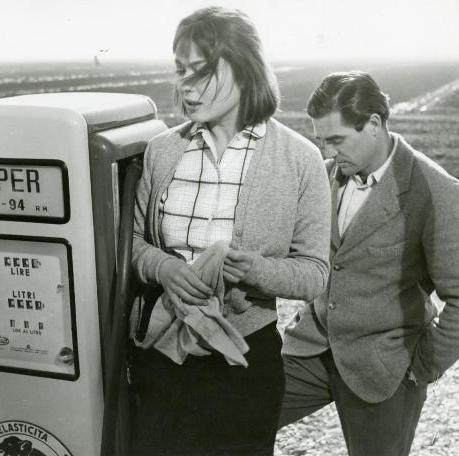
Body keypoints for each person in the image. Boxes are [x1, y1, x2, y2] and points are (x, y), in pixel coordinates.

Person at [128, 6, 331, 455]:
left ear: (244, 68)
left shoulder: (299, 160)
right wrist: (164, 268)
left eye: (200, 71)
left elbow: (315, 274)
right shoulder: (164, 151)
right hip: (161, 354)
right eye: (180, 71)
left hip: (242, 365)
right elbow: (134, 246)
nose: (186, 85)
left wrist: (251, 269)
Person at [280, 71, 459, 455]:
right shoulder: (325, 175)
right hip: (309, 349)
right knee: (234, 421)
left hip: (385, 371)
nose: (327, 153)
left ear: (375, 124)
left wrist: (420, 368)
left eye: (336, 140)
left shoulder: (438, 191)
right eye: (320, 141)